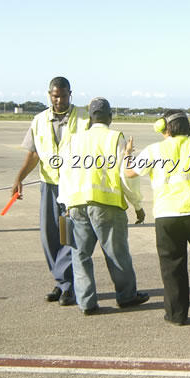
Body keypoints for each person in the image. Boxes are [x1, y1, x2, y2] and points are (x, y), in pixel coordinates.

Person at [125, 110, 190, 325]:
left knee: (172, 265)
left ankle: (177, 315)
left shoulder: (153, 150)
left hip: (166, 215)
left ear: (164, 127)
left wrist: (127, 154)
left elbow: (130, 172)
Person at [56, 97, 149, 315]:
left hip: (77, 204)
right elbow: (126, 176)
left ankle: (86, 303)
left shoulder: (74, 140)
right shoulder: (115, 138)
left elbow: (65, 174)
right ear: (110, 117)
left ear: (90, 117)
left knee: (80, 255)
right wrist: (137, 204)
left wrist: (66, 203)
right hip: (107, 205)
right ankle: (126, 297)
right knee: (117, 254)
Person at [11, 77, 89, 306]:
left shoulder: (84, 118)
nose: (59, 100)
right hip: (49, 185)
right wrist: (19, 178)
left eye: (64, 96)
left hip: (74, 185)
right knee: (49, 235)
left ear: (70, 94)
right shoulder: (39, 120)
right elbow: (34, 154)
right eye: (55, 96)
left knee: (69, 234)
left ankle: (67, 286)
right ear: (49, 95)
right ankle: (60, 280)